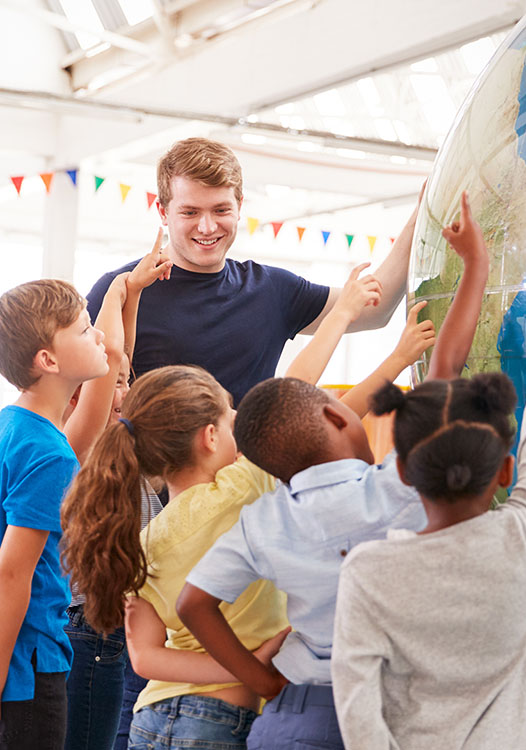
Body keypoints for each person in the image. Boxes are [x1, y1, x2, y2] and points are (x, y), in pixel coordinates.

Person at [61, 264, 433, 749]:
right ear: (210, 437)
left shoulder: (140, 536)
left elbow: (146, 658)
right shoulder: (241, 490)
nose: (246, 423)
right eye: (233, 415)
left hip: (151, 718)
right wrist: (373, 341)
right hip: (219, 720)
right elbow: (303, 406)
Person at [175, 191, 488, 750]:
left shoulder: (261, 519)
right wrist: (475, 265)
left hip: (292, 715)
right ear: (336, 417)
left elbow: (192, 604)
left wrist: (263, 679)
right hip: (386, 713)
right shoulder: (397, 484)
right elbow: (447, 369)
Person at [331, 280, 526, 750]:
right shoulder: (520, 536)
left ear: (403, 471)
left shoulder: (367, 572)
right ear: (505, 472)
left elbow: (358, 713)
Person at [85, 137, 422, 405]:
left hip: (249, 485)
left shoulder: (271, 289)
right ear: (163, 211)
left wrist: (423, 212)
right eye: (190, 212)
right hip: (146, 489)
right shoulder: (122, 291)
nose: (207, 226)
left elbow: (375, 310)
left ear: (240, 206)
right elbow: (78, 399)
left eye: (220, 210)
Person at [0, 279, 109, 750]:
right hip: (16, 668)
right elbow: (11, 576)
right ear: (48, 360)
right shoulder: (48, 454)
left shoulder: (9, 425)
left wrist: (124, 296)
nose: (97, 338)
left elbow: (94, 405)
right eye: (84, 329)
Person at [61, 232, 172, 750]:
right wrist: (115, 291)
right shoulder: (82, 444)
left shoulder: (121, 440)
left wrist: (136, 295)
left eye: (127, 382)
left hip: (119, 621)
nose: (123, 391)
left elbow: (120, 355)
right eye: (113, 384)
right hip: (91, 628)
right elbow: (109, 355)